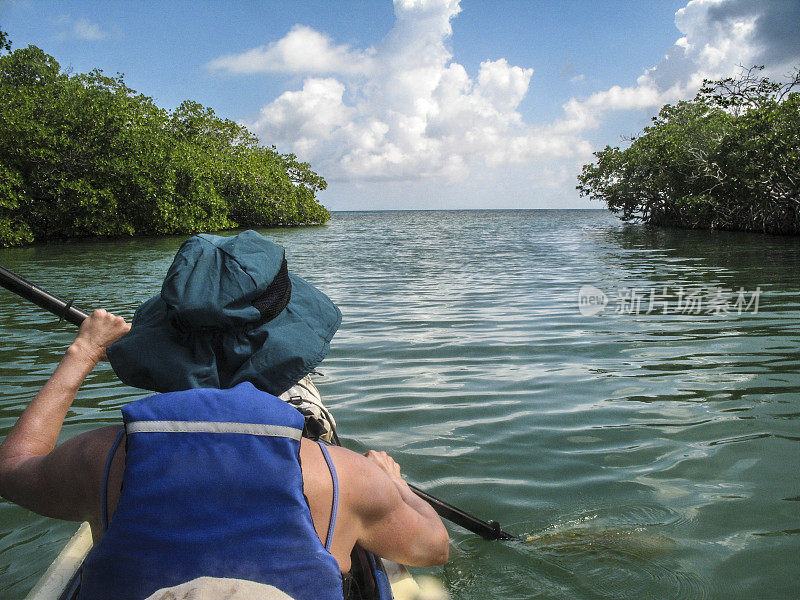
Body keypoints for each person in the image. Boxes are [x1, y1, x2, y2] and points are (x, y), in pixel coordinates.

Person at [0, 230, 450, 599]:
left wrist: (83, 351)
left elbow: (12, 470)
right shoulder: (343, 476)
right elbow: (434, 548)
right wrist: (392, 484)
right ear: (287, 346)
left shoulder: (100, 458)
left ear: (165, 342)